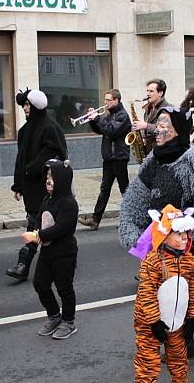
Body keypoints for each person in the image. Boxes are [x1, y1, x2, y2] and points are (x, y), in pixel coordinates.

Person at [119, 106, 194, 356]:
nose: (157, 130)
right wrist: (132, 229)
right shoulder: (154, 160)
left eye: (164, 125)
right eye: (157, 124)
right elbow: (135, 199)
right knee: (165, 296)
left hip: (188, 241)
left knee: (189, 294)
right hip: (161, 242)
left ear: (178, 130)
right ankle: (177, 341)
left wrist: (188, 229)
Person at [127, 205, 194, 383]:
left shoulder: (189, 261)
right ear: (164, 236)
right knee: (147, 359)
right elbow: (147, 293)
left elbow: (193, 290)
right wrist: (154, 322)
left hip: (176, 320)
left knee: (178, 354)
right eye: (178, 233)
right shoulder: (152, 262)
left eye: (186, 233)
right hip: (150, 323)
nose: (185, 238)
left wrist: (193, 316)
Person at [8, 89, 68, 282]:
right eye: (24, 105)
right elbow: (20, 160)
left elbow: (55, 153)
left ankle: (23, 263)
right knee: (44, 223)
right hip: (30, 188)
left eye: (27, 105)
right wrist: (18, 185)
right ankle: (63, 258)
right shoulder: (24, 131)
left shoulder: (50, 127)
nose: (25, 108)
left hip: (47, 186)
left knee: (37, 223)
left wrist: (34, 168)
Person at [22, 159, 79, 339]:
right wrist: (32, 238)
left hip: (64, 254)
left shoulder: (69, 203)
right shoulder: (47, 200)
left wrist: (38, 236)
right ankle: (54, 315)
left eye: (53, 177)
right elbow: (39, 221)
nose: (48, 181)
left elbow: (60, 228)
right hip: (47, 253)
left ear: (62, 180)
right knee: (40, 283)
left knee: (64, 288)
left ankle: (68, 322)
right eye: (47, 176)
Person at [78, 90, 131, 231]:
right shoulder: (110, 115)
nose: (106, 103)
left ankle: (130, 220)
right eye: (106, 100)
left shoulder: (123, 116)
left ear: (117, 100)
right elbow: (101, 130)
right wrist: (92, 120)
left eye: (109, 100)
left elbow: (111, 130)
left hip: (119, 158)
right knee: (104, 189)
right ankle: (95, 220)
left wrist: (97, 118)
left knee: (124, 190)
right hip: (109, 158)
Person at [131, 79, 172, 151]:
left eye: (151, 91)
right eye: (147, 91)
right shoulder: (148, 109)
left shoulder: (168, 109)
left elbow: (167, 130)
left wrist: (146, 125)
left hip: (162, 151)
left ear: (160, 93)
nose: (148, 94)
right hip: (150, 151)